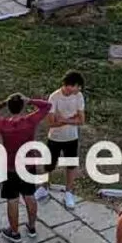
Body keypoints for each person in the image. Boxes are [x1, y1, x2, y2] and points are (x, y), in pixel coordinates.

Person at [0, 93, 53, 242]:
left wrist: (3, 102)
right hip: (28, 165)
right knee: (30, 196)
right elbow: (47, 106)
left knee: (12, 200)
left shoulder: (4, 125)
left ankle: (14, 233)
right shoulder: (30, 122)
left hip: (10, 167)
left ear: (9, 108)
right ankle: (32, 226)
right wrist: (30, 100)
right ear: (22, 107)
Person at [36, 71, 85, 208]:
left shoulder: (79, 96)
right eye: (78, 86)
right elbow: (51, 122)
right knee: (49, 164)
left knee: (71, 165)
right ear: (70, 86)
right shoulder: (54, 97)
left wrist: (62, 119)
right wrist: (71, 119)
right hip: (55, 137)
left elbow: (81, 120)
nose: (79, 89)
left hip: (71, 137)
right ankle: (43, 187)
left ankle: (69, 192)